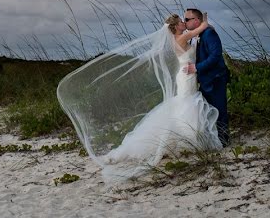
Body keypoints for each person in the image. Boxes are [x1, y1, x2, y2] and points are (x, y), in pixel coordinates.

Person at [56, 12, 223, 182]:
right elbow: (201, 28)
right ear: (175, 27)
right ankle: (188, 137)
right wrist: (204, 20)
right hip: (186, 76)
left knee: (185, 104)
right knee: (187, 103)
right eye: (181, 21)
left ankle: (187, 136)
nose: (183, 22)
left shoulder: (181, 38)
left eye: (185, 20)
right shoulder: (181, 38)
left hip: (186, 75)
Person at [183, 8, 230, 146]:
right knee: (208, 111)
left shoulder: (209, 33)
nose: (184, 22)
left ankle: (224, 141)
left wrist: (197, 68)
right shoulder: (196, 35)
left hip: (215, 78)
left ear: (197, 21)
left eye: (187, 19)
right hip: (205, 79)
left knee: (220, 110)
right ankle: (213, 139)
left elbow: (215, 56)